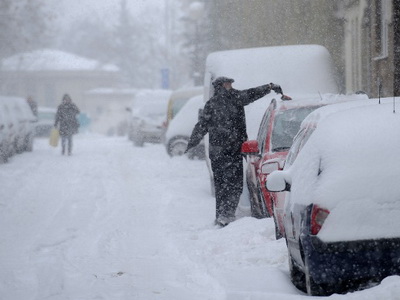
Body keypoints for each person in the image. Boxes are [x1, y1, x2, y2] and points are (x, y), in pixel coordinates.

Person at [185, 77, 283, 227]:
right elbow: (202, 125)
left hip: (223, 152)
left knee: (226, 185)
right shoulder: (230, 100)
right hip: (229, 151)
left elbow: (202, 125)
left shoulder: (217, 103)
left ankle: (224, 215)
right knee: (230, 185)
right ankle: (225, 215)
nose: (231, 86)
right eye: (228, 84)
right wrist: (192, 142)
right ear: (220, 86)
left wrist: (268, 87)